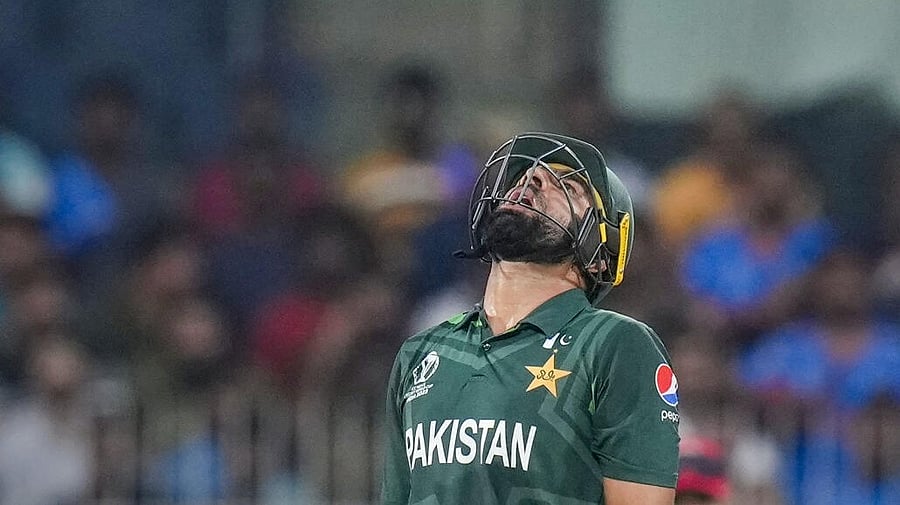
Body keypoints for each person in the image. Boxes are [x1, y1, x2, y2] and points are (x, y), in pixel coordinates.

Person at [381, 132, 680, 504]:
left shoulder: (615, 344)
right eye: (524, 176)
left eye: (567, 186)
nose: (532, 178)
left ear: (601, 251)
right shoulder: (420, 352)